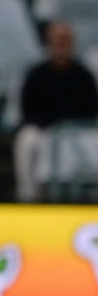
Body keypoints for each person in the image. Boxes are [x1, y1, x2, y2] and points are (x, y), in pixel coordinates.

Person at [14, 21, 98, 202]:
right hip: (45, 129)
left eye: (66, 40)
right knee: (27, 140)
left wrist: (71, 127)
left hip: (77, 131)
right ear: (49, 42)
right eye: (58, 40)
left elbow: (92, 109)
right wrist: (48, 125)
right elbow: (27, 108)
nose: (62, 44)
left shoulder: (83, 75)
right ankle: (28, 195)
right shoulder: (37, 74)